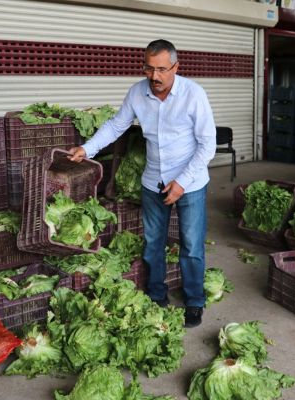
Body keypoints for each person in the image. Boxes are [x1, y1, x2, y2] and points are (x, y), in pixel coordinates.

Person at [68, 39, 216, 328]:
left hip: (191, 182)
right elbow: (116, 125)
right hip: (152, 181)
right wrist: (88, 148)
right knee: (152, 244)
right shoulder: (137, 92)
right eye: (149, 68)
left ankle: (194, 301)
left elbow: (207, 145)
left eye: (162, 69)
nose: (155, 77)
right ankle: (157, 294)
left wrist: (182, 183)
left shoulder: (193, 94)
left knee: (191, 246)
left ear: (176, 67)